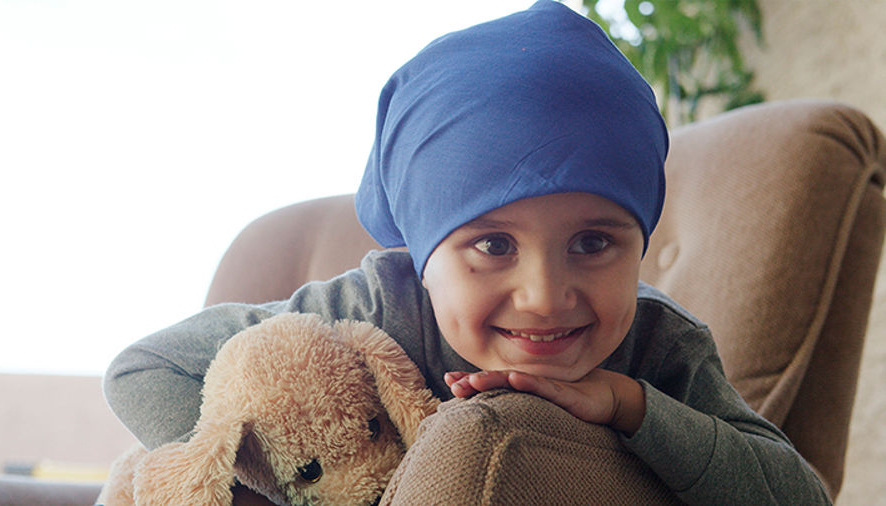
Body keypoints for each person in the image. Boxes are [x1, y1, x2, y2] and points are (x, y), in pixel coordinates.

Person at [104, 1, 831, 504]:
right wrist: (277, 486)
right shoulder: (370, 308)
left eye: (593, 242)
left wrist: (630, 405)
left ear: (641, 241)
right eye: (491, 244)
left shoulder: (661, 344)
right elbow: (142, 368)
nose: (544, 295)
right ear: (423, 258)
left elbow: (800, 495)